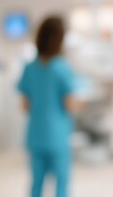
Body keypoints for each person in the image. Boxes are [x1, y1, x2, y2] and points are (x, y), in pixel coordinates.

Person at [18, 15, 81, 197]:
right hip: (57, 136)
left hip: (35, 135)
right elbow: (70, 105)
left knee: (36, 184)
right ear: (61, 38)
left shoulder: (30, 68)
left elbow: (24, 106)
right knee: (61, 184)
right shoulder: (62, 68)